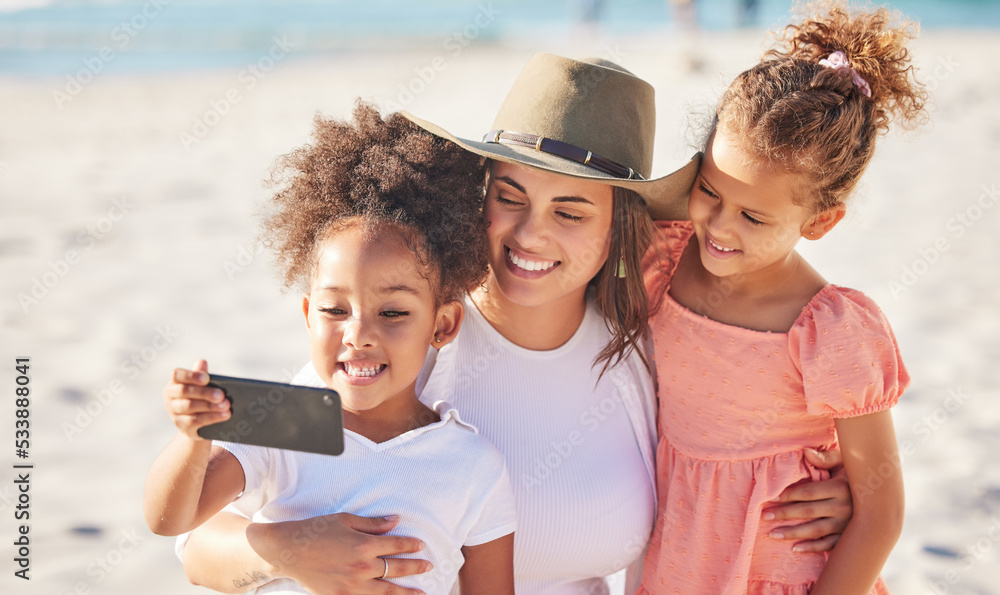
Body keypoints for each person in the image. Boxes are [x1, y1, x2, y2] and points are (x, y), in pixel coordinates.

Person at [173, 54, 857, 595]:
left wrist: (832, 494)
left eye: (570, 210)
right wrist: (288, 551)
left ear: (619, 223)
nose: (530, 234)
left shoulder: (642, 355)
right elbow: (193, 542)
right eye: (511, 197)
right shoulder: (402, 332)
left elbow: (733, 454)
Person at [143, 103, 518, 595]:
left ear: (442, 325)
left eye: (393, 313)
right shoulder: (279, 422)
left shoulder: (473, 464)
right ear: (306, 315)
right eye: (335, 310)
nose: (358, 334)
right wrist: (192, 438)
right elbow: (171, 519)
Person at [637, 0, 928, 594]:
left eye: (754, 217)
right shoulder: (664, 258)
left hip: (789, 574)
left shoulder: (829, 328)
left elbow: (881, 513)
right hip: (682, 564)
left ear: (819, 223)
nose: (719, 226)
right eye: (710, 192)